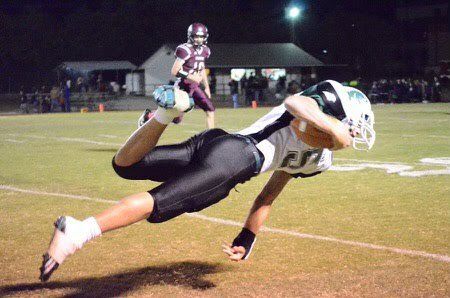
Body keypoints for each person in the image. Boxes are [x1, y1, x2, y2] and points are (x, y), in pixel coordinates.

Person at [39, 80, 376, 282]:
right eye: (348, 129)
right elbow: (295, 102)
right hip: (236, 159)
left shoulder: (319, 161)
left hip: (218, 143)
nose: (345, 139)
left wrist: (248, 236)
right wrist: (333, 128)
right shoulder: (313, 109)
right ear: (333, 118)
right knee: (158, 204)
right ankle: (78, 231)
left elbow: (268, 196)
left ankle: (164, 115)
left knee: (126, 165)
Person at [140, 23, 215, 129]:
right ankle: (149, 116)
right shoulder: (185, 50)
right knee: (176, 118)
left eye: (201, 37)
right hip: (183, 85)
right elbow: (175, 71)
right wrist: (191, 76)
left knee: (210, 109)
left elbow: (201, 68)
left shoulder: (205, 50)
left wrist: (206, 87)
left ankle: (210, 139)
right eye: (196, 36)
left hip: (195, 87)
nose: (199, 39)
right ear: (191, 36)